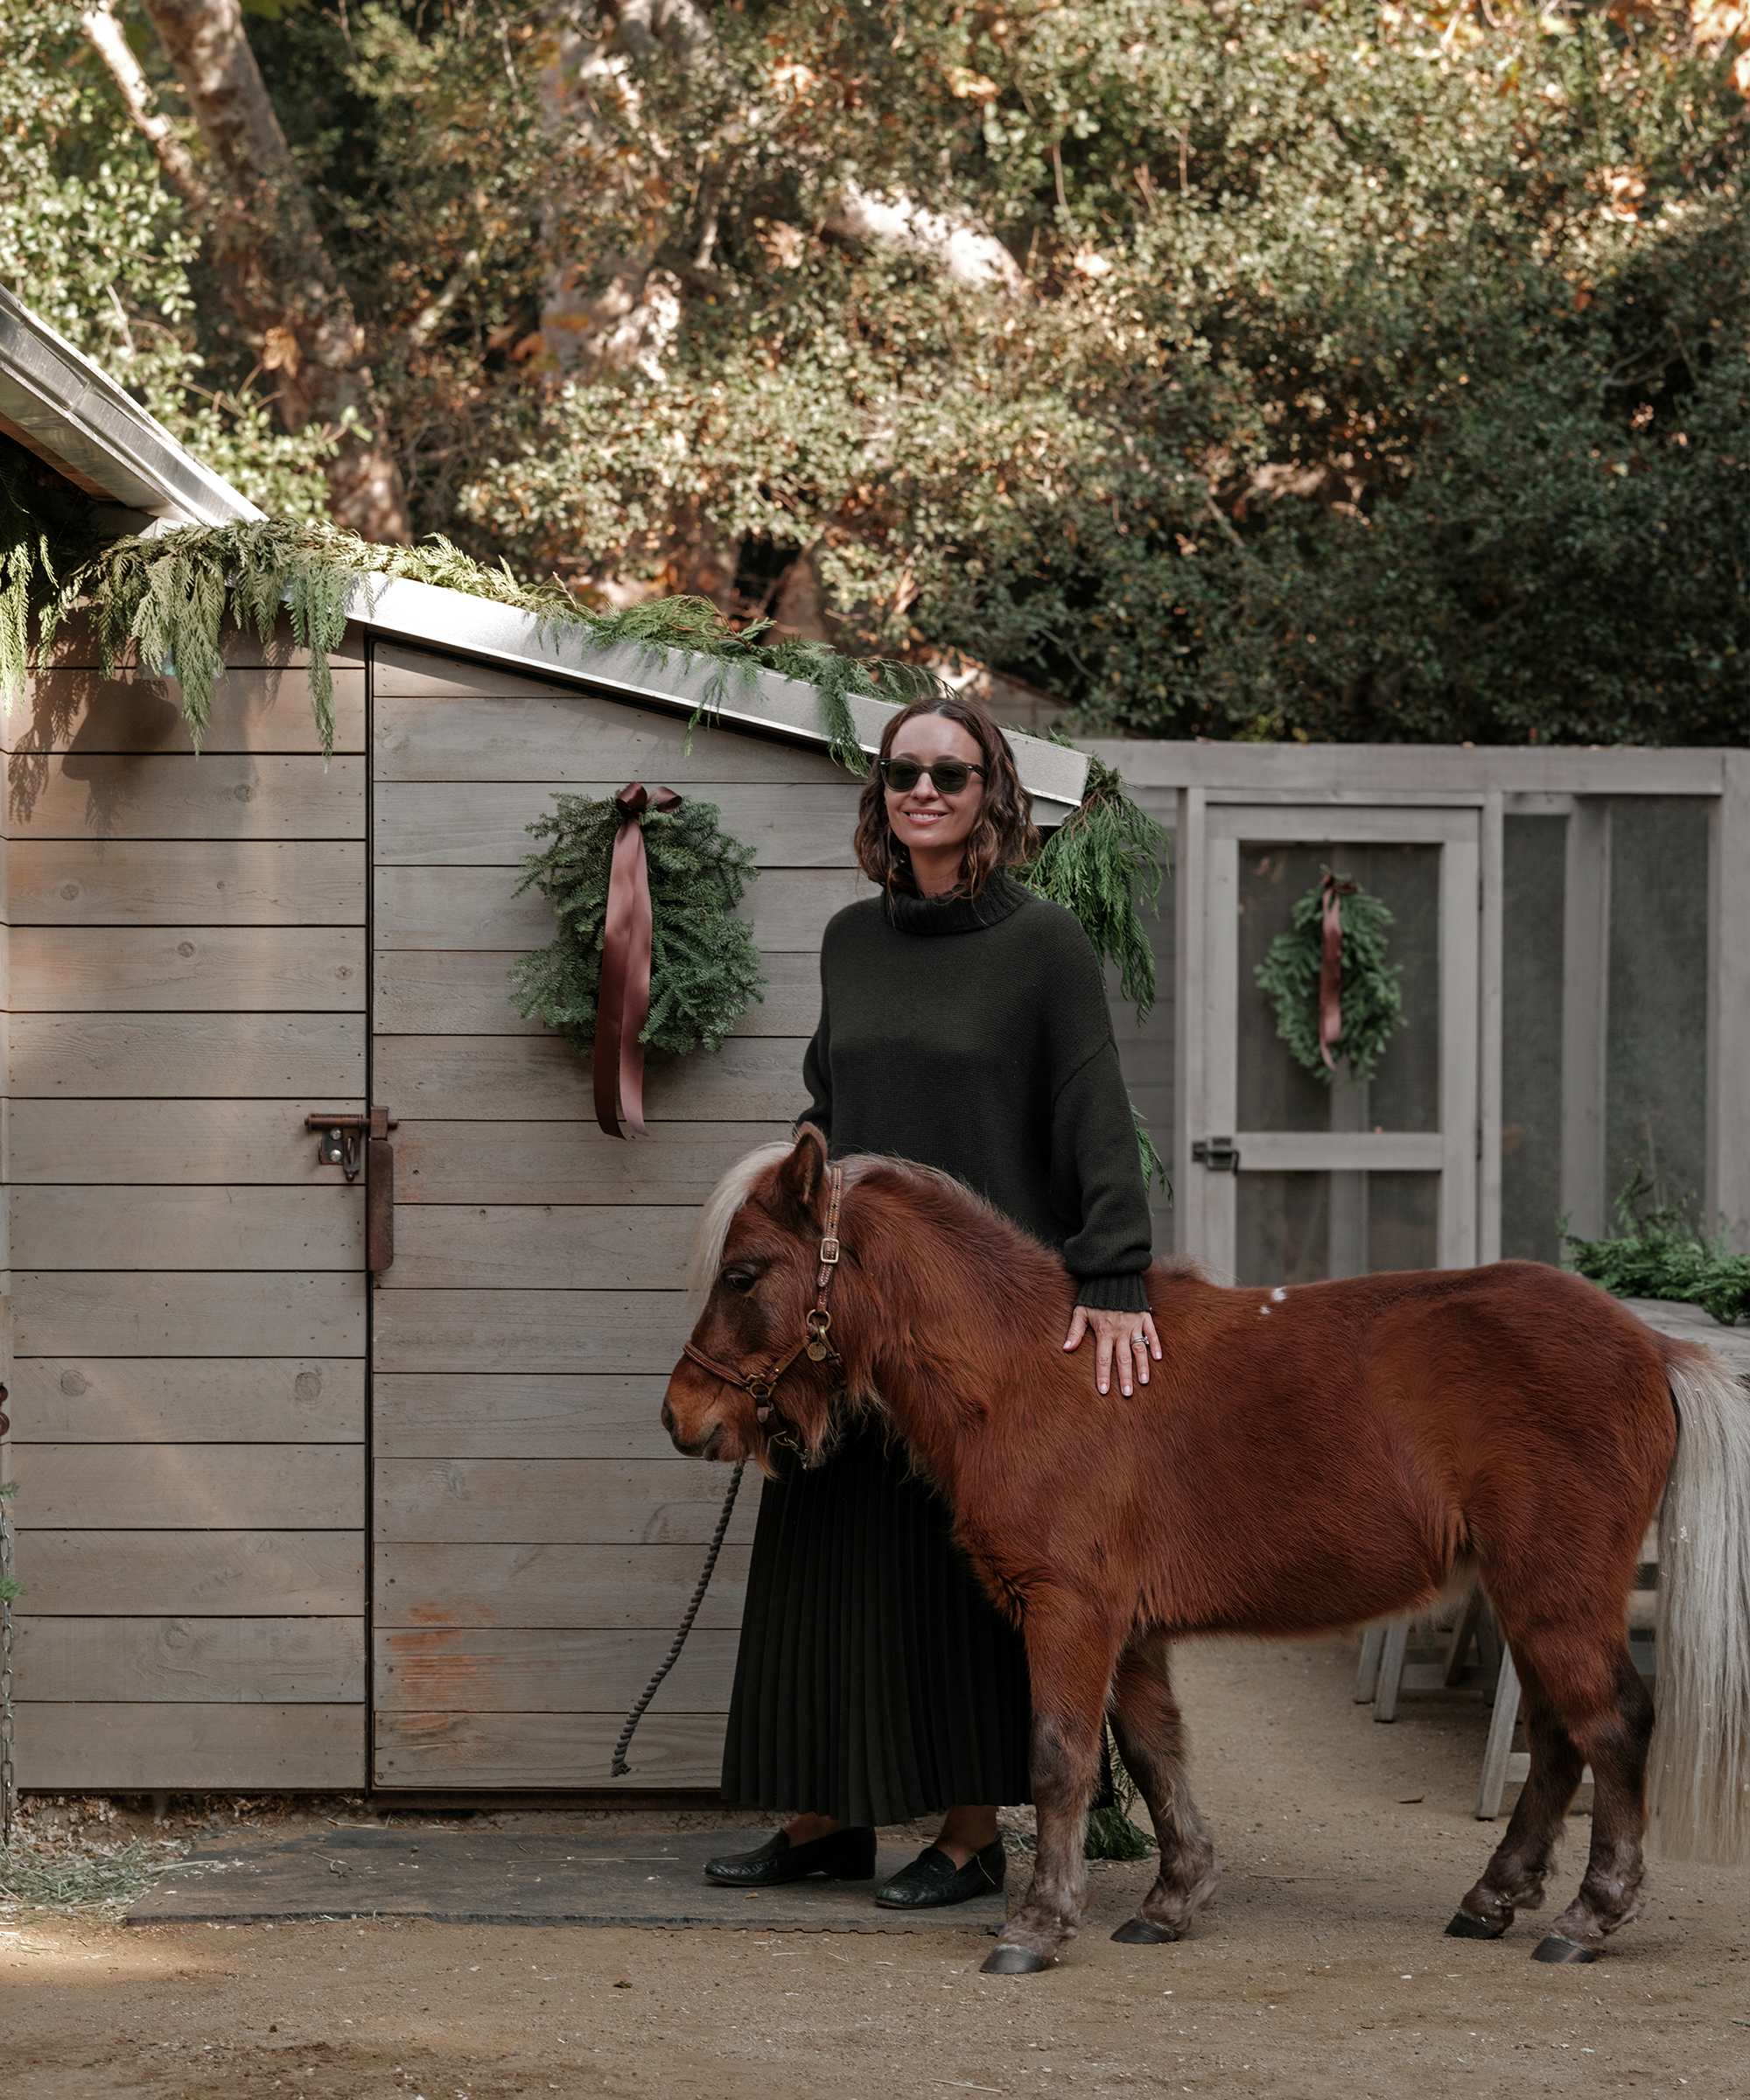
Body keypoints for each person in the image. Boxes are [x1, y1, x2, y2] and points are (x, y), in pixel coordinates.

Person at [704, 694, 1159, 1908]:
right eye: (904, 772)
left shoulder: (1044, 946)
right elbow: (826, 1116)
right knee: (825, 1546)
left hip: (979, 1326)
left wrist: (1114, 1274)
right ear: (881, 792)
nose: (924, 792)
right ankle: (823, 1818)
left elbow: (1094, 1113)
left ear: (993, 795)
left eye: (951, 776)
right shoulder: (852, 940)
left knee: (968, 1571)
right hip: (845, 1312)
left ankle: (969, 1835)